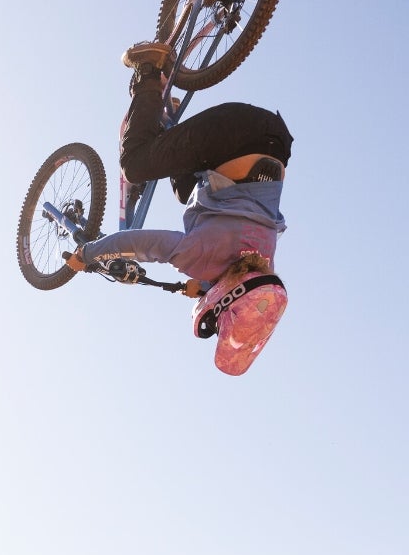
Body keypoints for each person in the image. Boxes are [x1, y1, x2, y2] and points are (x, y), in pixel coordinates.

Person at [63, 40, 291, 376]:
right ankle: (148, 70)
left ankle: (166, 118)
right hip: (230, 136)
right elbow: (141, 244)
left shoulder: (262, 256)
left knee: (188, 193)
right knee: (136, 166)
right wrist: (89, 252)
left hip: (272, 139)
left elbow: (233, 248)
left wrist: (205, 282)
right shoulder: (202, 257)